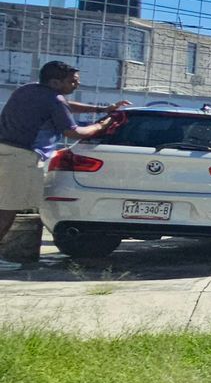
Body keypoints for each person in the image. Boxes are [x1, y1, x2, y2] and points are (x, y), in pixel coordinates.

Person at [0, 61, 128, 269]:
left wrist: (101, 109)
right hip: (21, 156)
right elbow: (73, 132)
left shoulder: (28, 90)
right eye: (73, 81)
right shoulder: (54, 99)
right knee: (7, 209)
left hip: (4, 149)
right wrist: (101, 125)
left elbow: (64, 106)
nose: (76, 85)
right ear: (55, 82)